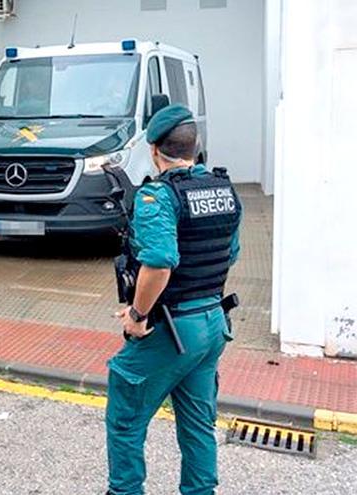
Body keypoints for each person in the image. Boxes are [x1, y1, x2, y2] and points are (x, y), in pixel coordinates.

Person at [105, 104, 242, 495]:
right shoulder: (224, 190)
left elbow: (160, 265)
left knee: (126, 420)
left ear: (154, 151)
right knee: (199, 424)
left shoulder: (157, 197)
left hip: (171, 328)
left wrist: (137, 314)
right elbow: (229, 254)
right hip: (212, 324)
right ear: (195, 149)